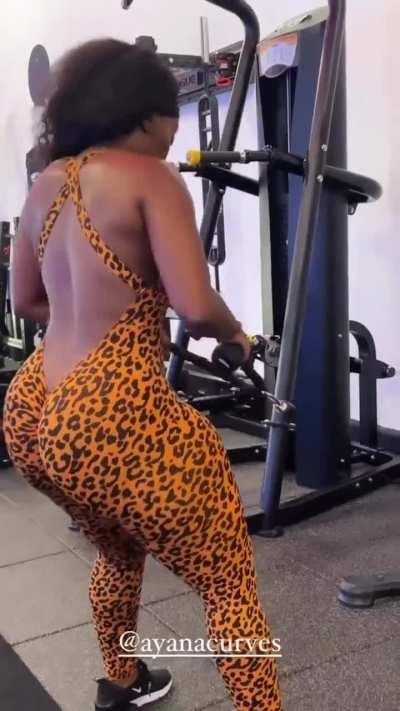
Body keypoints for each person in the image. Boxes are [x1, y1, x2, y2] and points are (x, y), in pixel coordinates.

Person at [3, 39, 282, 711]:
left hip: (34, 405)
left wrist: (96, 315)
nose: (176, 130)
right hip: (106, 408)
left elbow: (27, 301)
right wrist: (238, 335)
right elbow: (196, 304)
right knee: (226, 579)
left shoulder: (47, 181)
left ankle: (122, 682)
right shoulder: (150, 176)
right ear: (144, 113)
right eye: (171, 115)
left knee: (120, 552)